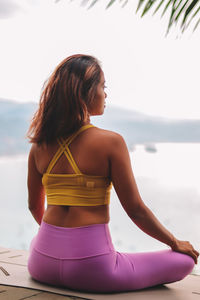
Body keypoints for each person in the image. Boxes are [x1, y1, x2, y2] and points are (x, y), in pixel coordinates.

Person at [27, 54, 199, 293]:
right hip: (93, 270)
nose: (105, 94)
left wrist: (59, 242)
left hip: (41, 264)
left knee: (42, 243)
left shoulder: (40, 145)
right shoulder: (111, 142)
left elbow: (34, 207)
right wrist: (174, 242)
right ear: (84, 93)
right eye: (102, 86)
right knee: (184, 261)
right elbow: (136, 210)